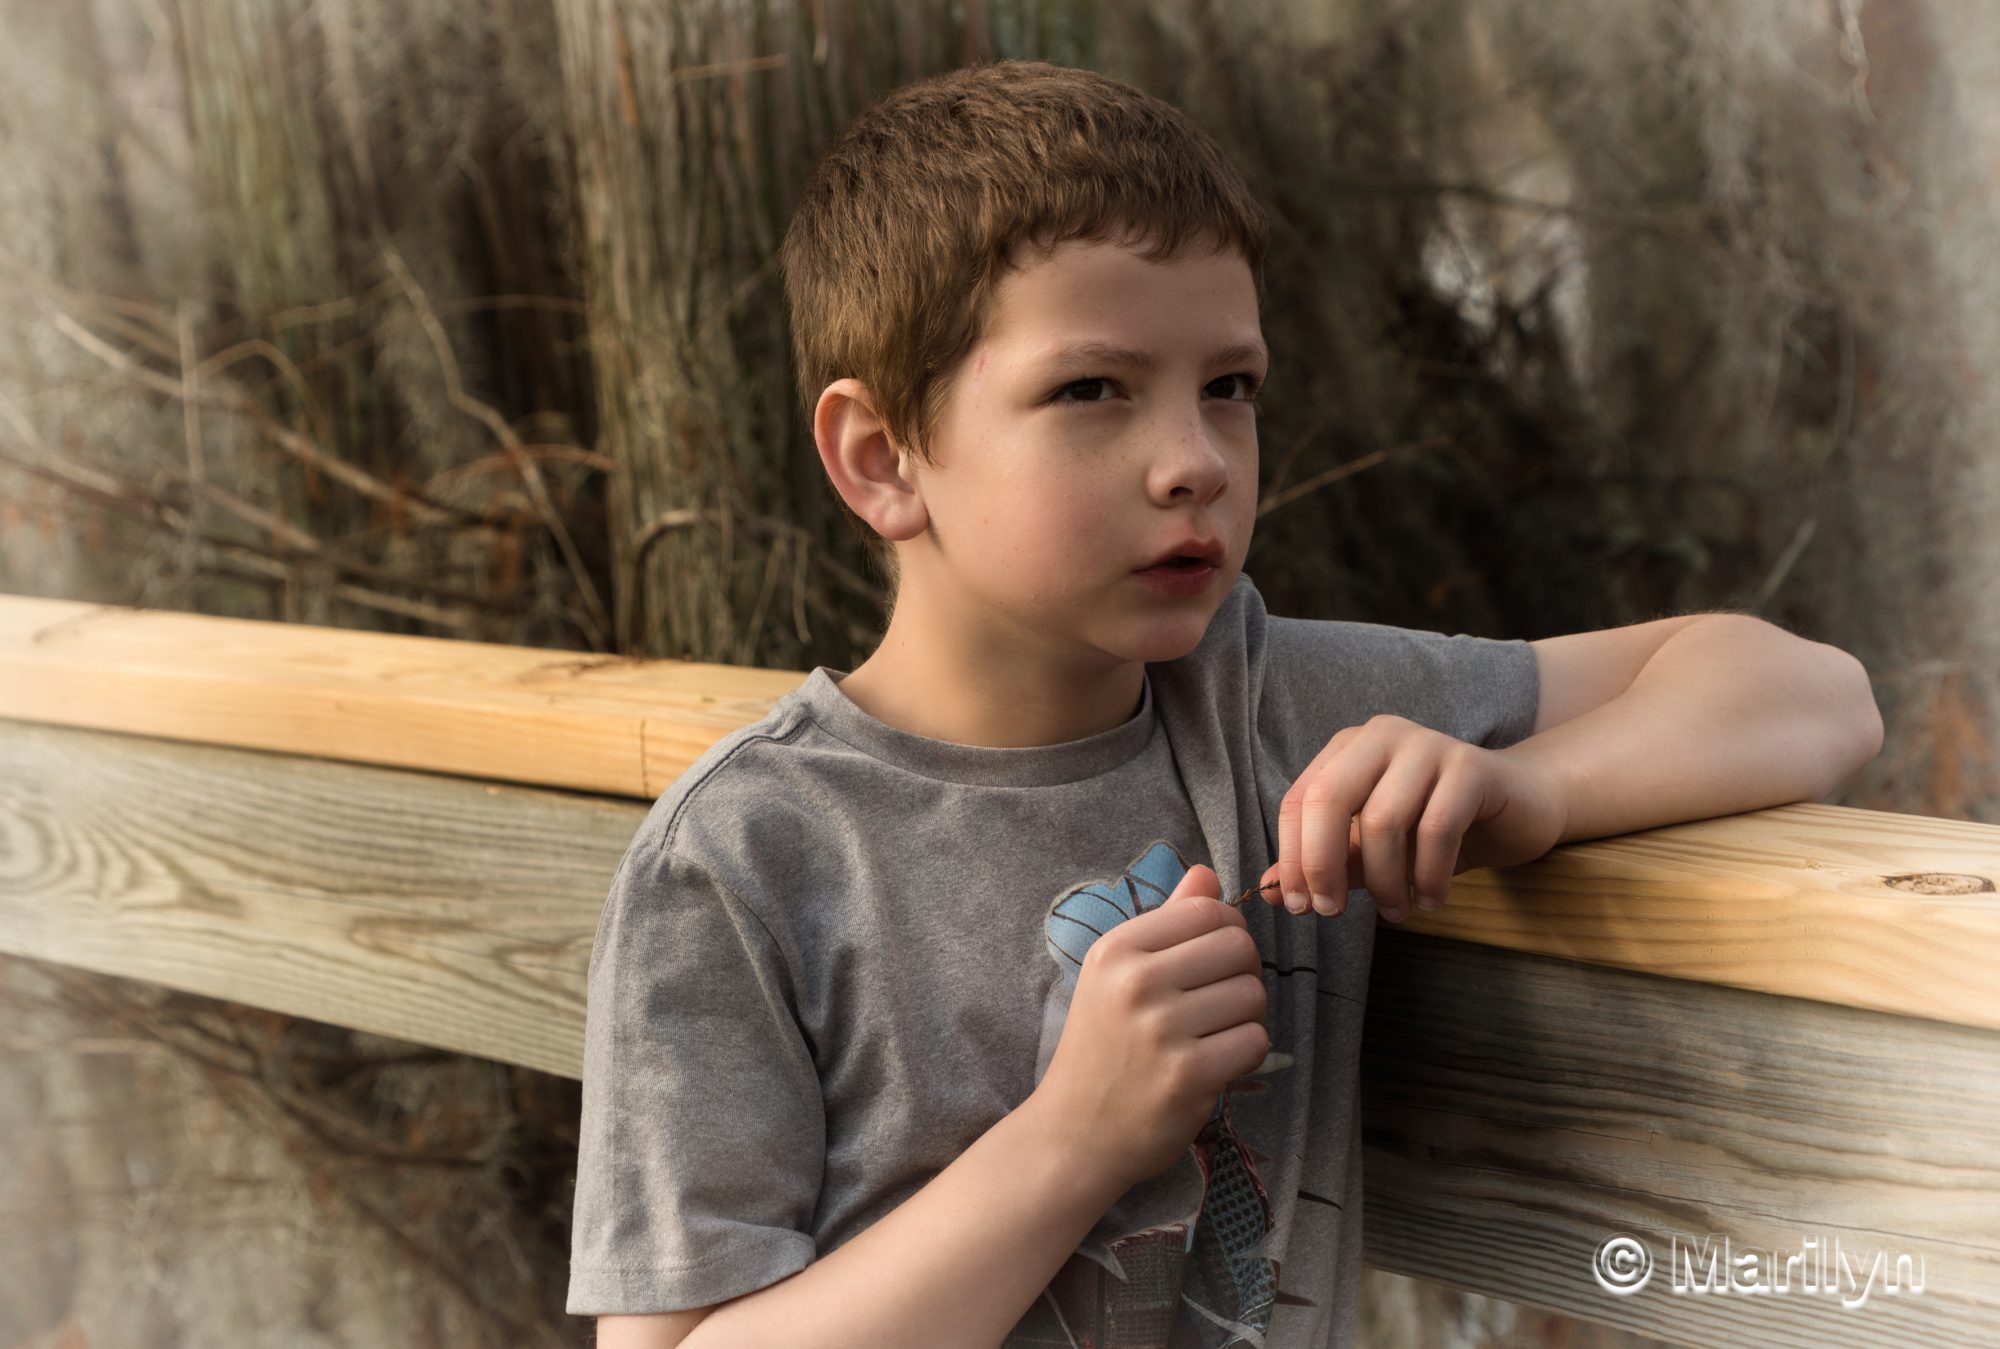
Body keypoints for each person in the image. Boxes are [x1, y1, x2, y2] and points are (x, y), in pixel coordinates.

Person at [565, 58, 1883, 1349]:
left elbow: (1811, 692)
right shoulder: (746, 861)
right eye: (1092, 389)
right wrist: (1073, 1139)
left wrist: (1527, 790)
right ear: (882, 460)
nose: (1195, 462)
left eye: (1229, 388)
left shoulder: (1270, 706)